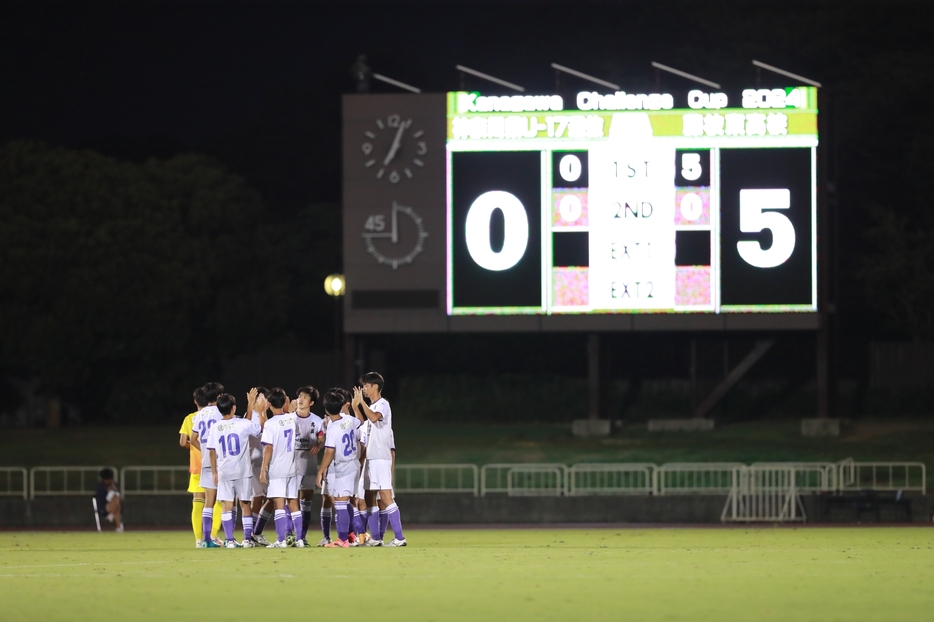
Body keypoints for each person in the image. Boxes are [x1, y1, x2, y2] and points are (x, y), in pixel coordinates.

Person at [206, 393, 264, 548]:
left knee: (227, 506)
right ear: (233, 408)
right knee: (245, 504)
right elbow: (259, 429)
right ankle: (246, 540)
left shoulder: (215, 426)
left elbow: (211, 451)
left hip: (224, 471)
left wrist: (214, 472)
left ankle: (230, 540)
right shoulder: (242, 423)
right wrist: (254, 406)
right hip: (242, 471)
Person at [355, 372, 405, 547]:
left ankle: (399, 537)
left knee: (385, 496)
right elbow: (366, 425)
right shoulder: (370, 411)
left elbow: (375, 417)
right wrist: (357, 407)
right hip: (371, 460)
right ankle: (376, 538)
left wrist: (361, 403)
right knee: (370, 497)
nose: (364, 389)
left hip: (381, 458)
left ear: (375, 386)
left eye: (366, 386)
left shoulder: (383, 404)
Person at [316, 388, 362, 548]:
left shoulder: (333, 428)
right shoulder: (348, 419)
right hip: (354, 464)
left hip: (343, 467)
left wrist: (321, 470)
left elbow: (329, 451)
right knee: (346, 501)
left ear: (326, 409)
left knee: (341, 503)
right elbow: (360, 423)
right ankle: (353, 535)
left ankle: (342, 540)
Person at [178, 387, 222, 548]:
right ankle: (213, 535)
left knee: (198, 503)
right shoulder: (218, 414)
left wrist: (197, 448)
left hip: (198, 465)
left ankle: (198, 539)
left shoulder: (190, 418)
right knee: (218, 502)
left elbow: (183, 442)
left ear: (196, 401)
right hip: (216, 463)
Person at [259, 388, 303, 548]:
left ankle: (280, 540)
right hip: (292, 467)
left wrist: (263, 468)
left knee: (279, 504)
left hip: (277, 469)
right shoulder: (292, 419)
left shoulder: (270, 424)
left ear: (269, 403)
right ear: (284, 401)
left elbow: (268, 448)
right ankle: (299, 540)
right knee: (293, 504)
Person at [190, 381, 224, 548]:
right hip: (222, 463)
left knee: (208, 502)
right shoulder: (221, 412)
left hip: (206, 463)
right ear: (218, 396)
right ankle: (230, 538)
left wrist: (204, 451)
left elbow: (192, 438)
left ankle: (206, 540)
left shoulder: (200, 414)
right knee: (227, 501)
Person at [293, 386, 324, 546]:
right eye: (299, 396)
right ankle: (288, 535)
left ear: (311, 402)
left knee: (306, 504)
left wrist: (318, 446)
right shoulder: (290, 419)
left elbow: (321, 439)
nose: (301, 399)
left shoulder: (317, 421)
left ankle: (302, 537)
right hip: (291, 467)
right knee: (290, 502)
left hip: (309, 467)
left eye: (305, 397)